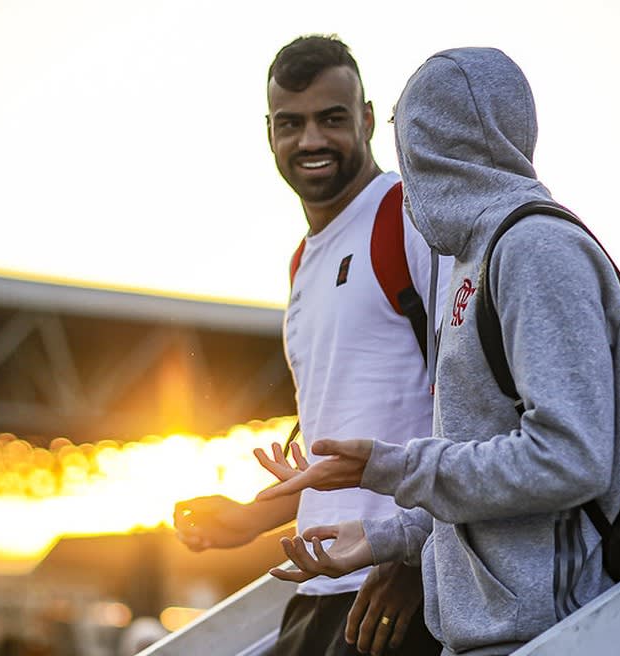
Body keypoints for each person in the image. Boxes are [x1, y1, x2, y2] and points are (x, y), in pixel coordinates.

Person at [255, 47, 620, 656]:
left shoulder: (528, 247)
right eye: (289, 122)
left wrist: (405, 537)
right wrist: (395, 537)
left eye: (423, 134)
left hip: (519, 616)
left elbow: (568, 456)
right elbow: (474, 430)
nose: (415, 166)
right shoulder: (472, 249)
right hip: (447, 599)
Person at [172, 35, 446, 656]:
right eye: (291, 124)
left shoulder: (410, 217)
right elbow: (342, 449)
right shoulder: (301, 263)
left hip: (398, 592)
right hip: (317, 591)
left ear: (369, 120)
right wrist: (251, 516)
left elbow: (479, 404)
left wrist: (420, 552)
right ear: (269, 132)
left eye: (332, 119)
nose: (312, 141)